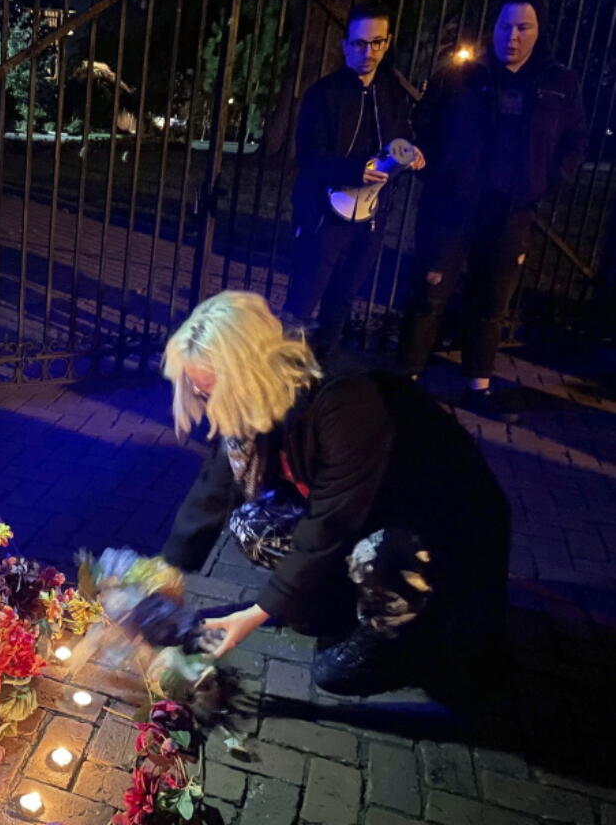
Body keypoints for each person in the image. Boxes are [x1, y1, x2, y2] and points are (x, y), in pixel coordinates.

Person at [160, 291, 510, 696]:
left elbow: (333, 520)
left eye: (211, 390)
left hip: (440, 527)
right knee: (253, 526)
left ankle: (406, 637)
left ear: (247, 371)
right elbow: (218, 481)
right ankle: (347, 602)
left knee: (340, 662)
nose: (208, 402)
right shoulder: (263, 393)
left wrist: (256, 614)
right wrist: (168, 570)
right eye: (201, 392)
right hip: (370, 515)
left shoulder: (347, 398)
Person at [398, 0, 587, 422]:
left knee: (492, 303)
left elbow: (575, 140)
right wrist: (429, 165)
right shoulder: (461, 74)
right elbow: (424, 123)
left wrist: (547, 182)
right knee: (429, 294)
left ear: (539, 30)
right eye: (506, 26)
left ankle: (477, 387)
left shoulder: (559, 82)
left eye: (524, 27)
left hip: (511, 214)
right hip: (452, 207)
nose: (513, 36)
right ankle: (405, 382)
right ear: (494, 28)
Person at [284, 4, 425, 361]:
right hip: (324, 215)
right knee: (303, 299)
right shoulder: (323, 94)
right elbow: (308, 156)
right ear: (345, 45)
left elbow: (402, 137)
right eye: (360, 44)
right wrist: (351, 170)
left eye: (377, 43)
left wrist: (412, 153)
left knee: (344, 296)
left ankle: (322, 368)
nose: (369, 52)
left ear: (388, 42)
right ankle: (278, 375)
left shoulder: (391, 92)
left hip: (371, 216)